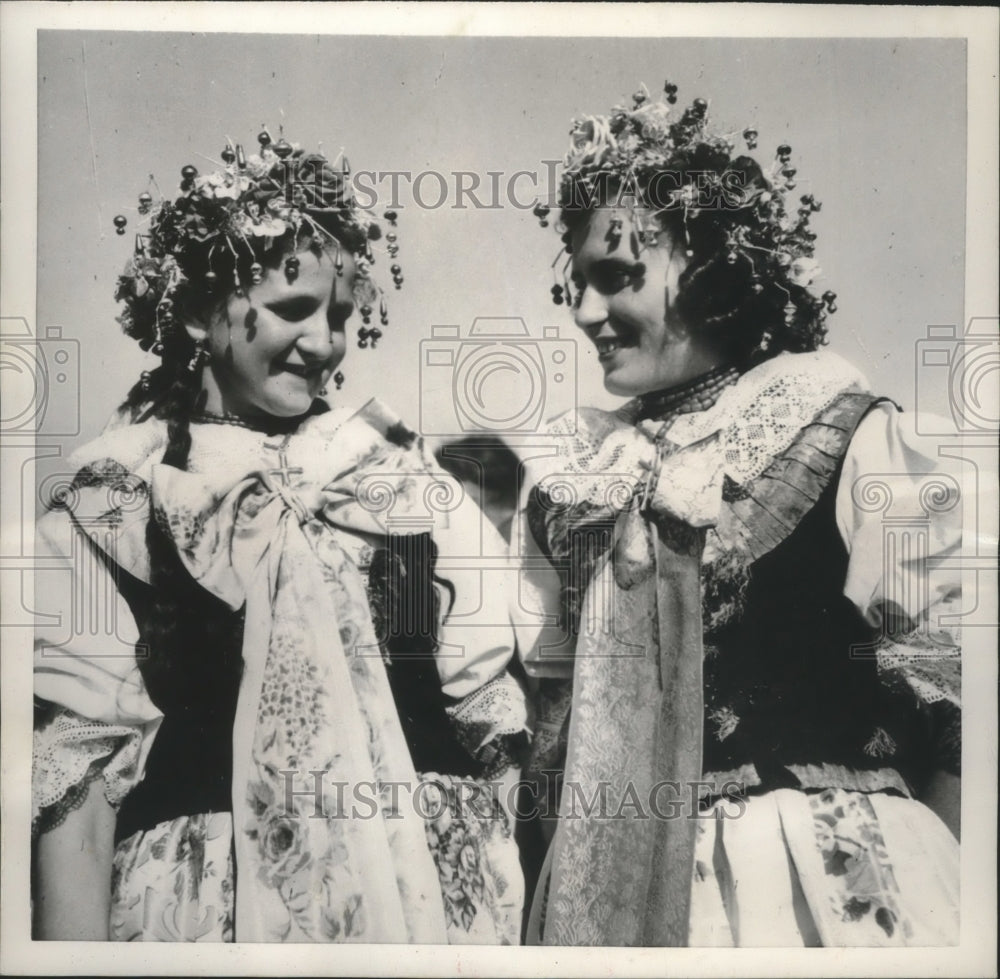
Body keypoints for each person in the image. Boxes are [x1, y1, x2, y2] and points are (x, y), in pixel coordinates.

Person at [31, 133, 526, 943]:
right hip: (210, 914)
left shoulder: (407, 483)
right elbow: (77, 803)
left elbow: (493, 730)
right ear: (197, 313)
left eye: (339, 315)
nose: (326, 342)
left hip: (431, 901)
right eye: (294, 309)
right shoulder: (116, 507)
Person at [515, 84, 962, 946]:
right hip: (615, 894)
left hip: (818, 884)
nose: (583, 313)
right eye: (575, 284)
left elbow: (947, 707)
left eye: (615, 278)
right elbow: (549, 733)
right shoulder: (577, 488)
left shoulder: (844, 429)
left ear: (717, 271)